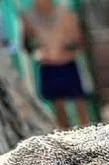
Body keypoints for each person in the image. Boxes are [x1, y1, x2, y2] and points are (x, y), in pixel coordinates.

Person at [21, 0, 91, 128]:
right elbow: (27, 44)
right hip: (48, 66)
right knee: (58, 107)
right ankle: (67, 141)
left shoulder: (65, 13)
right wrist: (39, 52)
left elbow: (79, 39)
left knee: (80, 105)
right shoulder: (28, 17)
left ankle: (89, 138)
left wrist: (67, 48)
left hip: (67, 64)